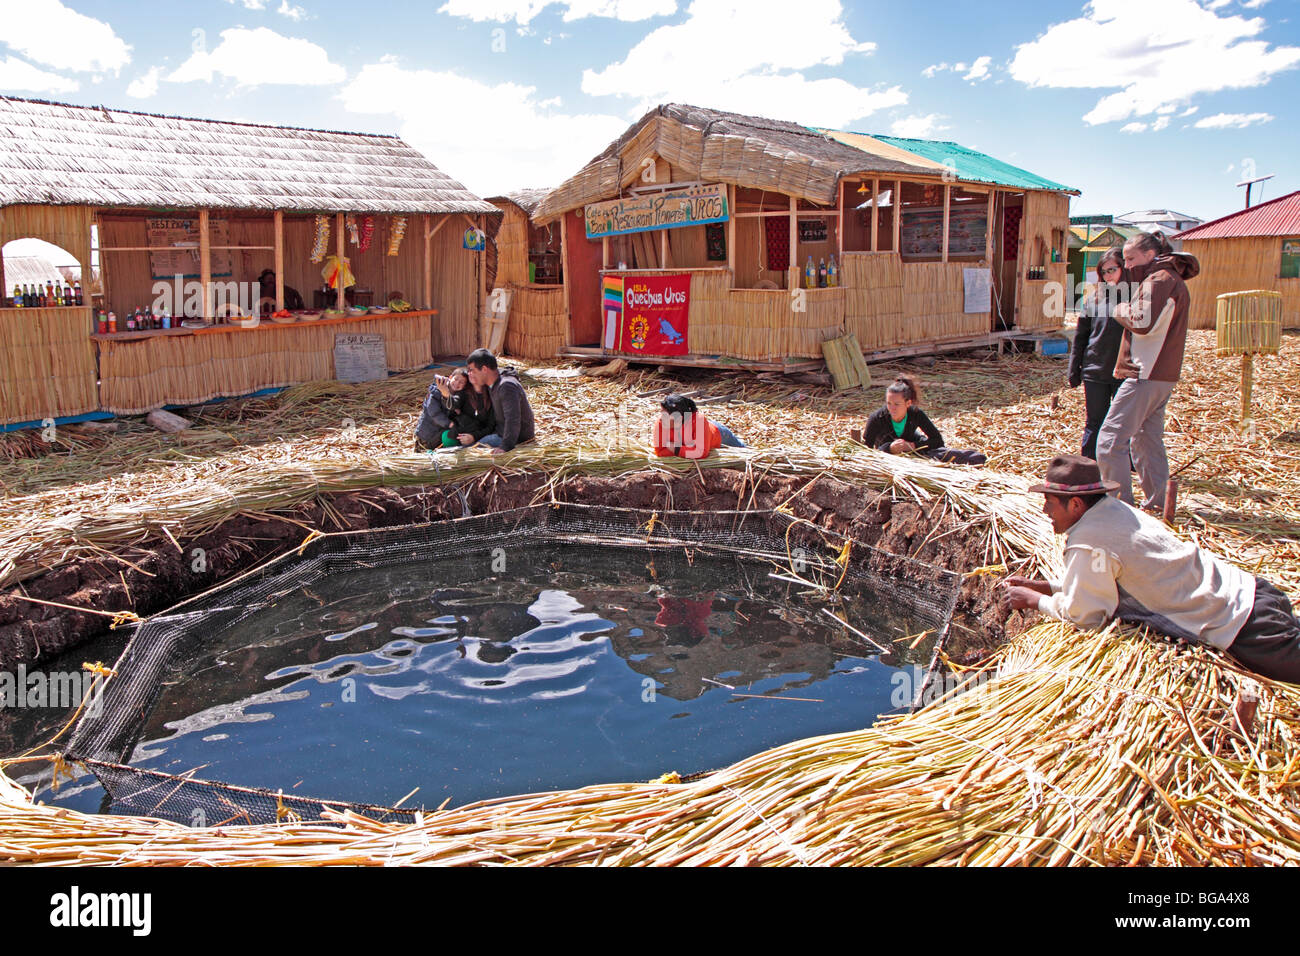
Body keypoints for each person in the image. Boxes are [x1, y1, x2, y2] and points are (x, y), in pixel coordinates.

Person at [1000, 454, 1300, 684]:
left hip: (1245, 625)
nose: (1044, 512)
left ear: (1076, 504)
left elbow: (1087, 615)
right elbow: (1108, 576)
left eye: (1049, 503)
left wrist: (1035, 600)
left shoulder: (1089, 541)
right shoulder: (1114, 510)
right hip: (1254, 591)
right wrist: (1051, 587)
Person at [1095, 231, 1199, 512]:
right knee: (1146, 440)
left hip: (1145, 372)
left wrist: (1119, 307)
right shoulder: (1167, 278)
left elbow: (1141, 320)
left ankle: (1118, 509)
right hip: (1160, 374)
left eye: (1131, 258)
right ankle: (1158, 505)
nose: (1127, 265)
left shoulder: (1160, 279)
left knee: (1110, 440)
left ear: (1150, 255)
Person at [1068, 247, 1128, 461]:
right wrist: (1074, 368)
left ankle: (1123, 464)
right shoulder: (1094, 300)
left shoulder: (1136, 299)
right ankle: (1088, 463)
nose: (1108, 276)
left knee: (1123, 423)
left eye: (1112, 269)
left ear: (1125, 268)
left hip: (1124, 371)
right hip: (1095, 369)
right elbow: (1081, 337)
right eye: (1103, 272)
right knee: (1095, 420)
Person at [860, 376, 986, 465]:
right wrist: (889, 449)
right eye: (889, 403)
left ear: (908, 403)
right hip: (888, 459)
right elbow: (866, 451)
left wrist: (912, 446)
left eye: (897, 404)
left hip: (915, 452)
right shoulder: (877, 418)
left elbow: (937, 441)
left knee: (943, 454)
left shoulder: (915, 414)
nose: (892, 408)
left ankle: (978, 459)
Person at [466, 348, 535, 454]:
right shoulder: (492, 383)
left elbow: (513, 419)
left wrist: (505, 447)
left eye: (472, 370)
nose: (469, 374)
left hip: (516, 439)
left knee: (470, 451)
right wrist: (478, 389)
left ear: (484, 369)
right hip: (500, 432)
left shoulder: (506, 386)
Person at [653, 393, 745, 459]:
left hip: (719, 435)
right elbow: (660, 451)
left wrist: (676, 449)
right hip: (702, 436)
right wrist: (687, 450)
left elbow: (701, 452)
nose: (661, 417)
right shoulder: (661, 422)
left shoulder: (698, 421)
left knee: (745, 451)